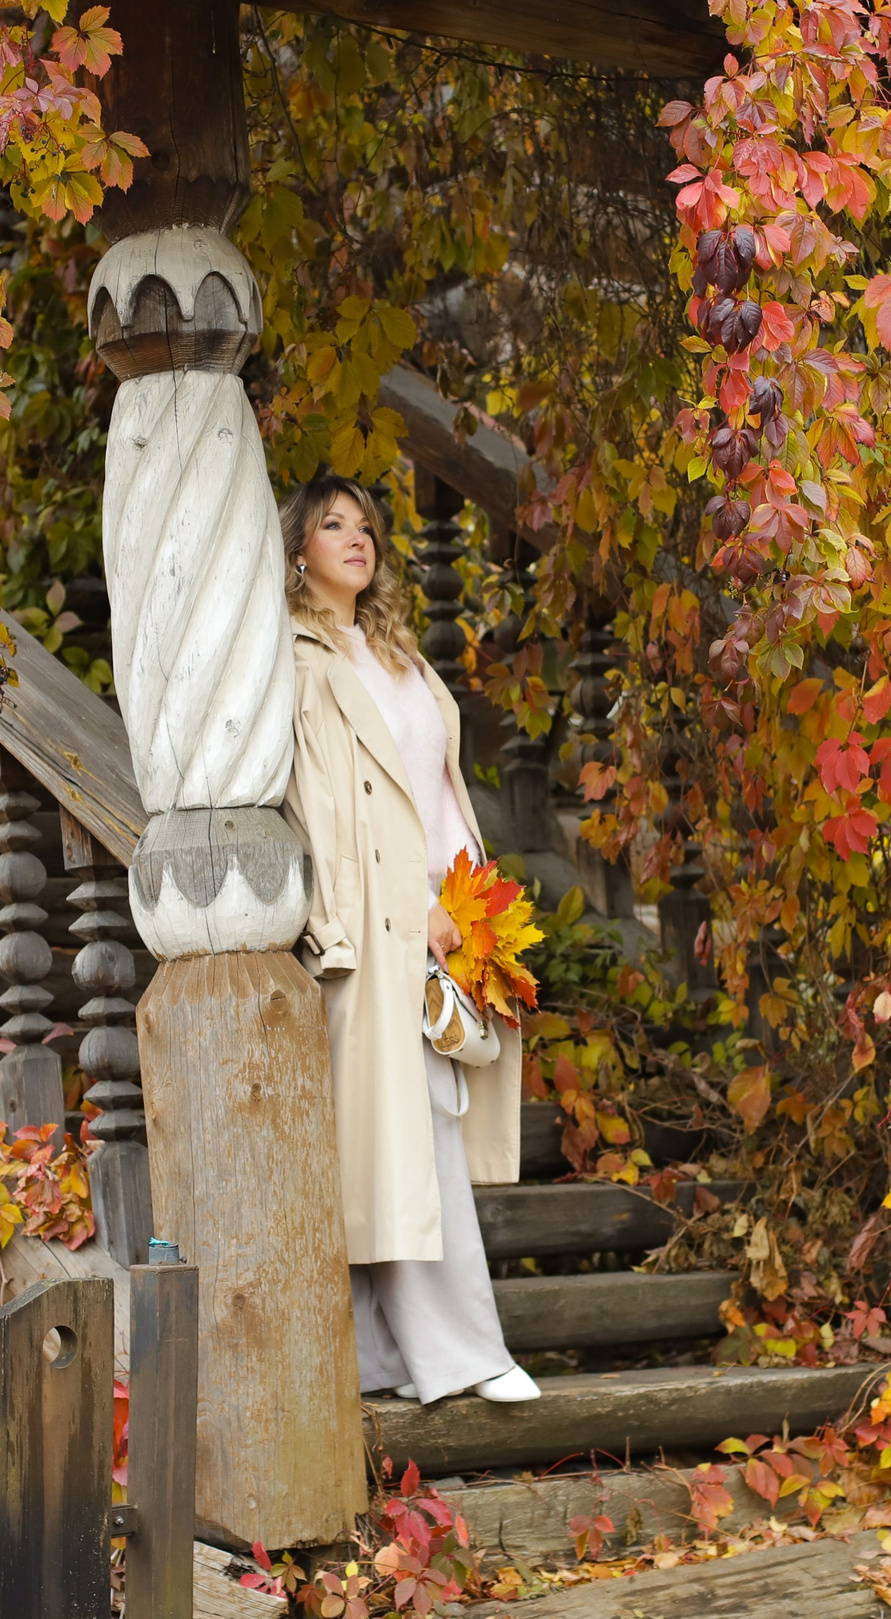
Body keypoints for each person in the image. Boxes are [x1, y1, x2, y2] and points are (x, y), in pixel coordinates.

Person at [280, 476, 542, 1406]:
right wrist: (402, 905)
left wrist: (468, 901)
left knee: (409, 1139)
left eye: (364, 524)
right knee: (407, 1138)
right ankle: (466, 1354)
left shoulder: (395, 652)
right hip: (378, 924)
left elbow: (436, 789)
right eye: (331, 524)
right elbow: (320, 813)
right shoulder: (302, 661)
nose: (356, 538)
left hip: (447, 914)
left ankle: (383, 1362)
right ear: (300, 548)